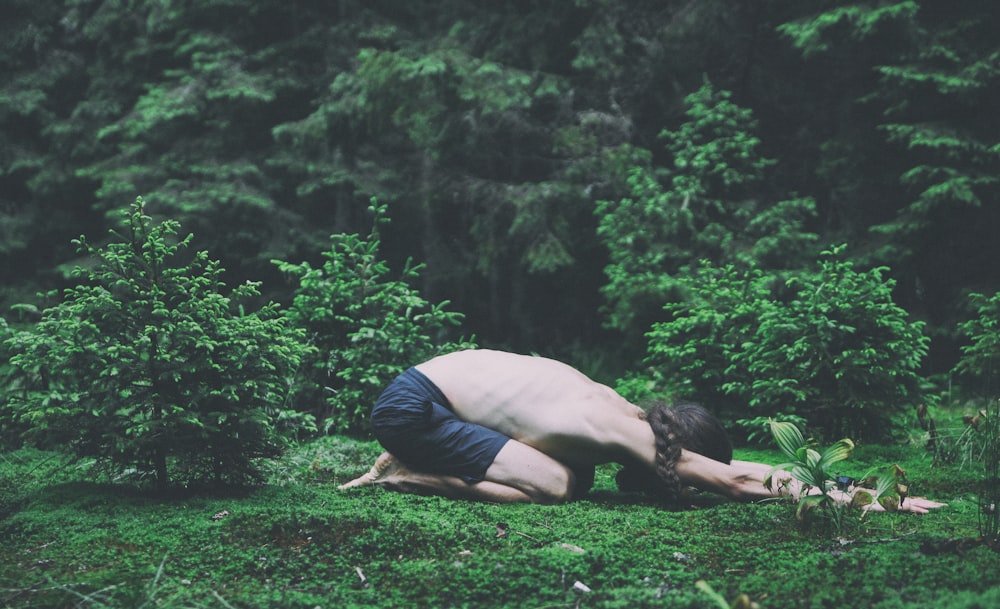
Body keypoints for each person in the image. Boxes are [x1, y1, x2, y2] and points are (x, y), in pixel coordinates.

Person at [340, 349, 944, 513]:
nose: (687, 483)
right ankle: (407, 473)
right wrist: (865, 497)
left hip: (426, 393)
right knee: (559, 486)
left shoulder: (619, 410)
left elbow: (734, 469)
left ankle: (411, 457)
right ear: (679, 450)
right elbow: (735, 481)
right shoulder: (623, 432)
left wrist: (839, 478)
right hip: (414, 410)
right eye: (688, 474)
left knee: (573, 473)